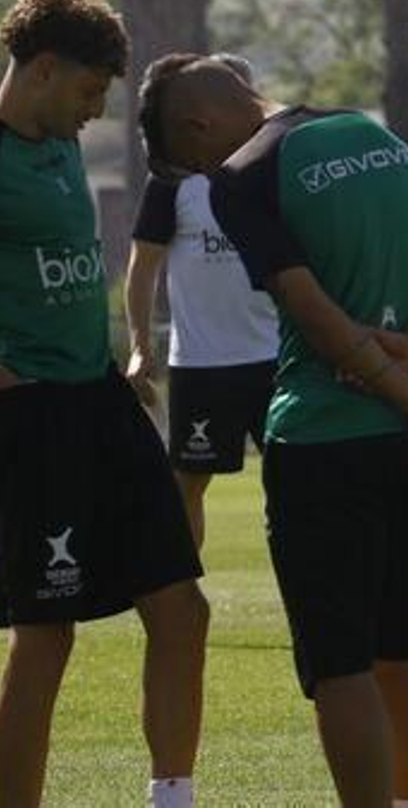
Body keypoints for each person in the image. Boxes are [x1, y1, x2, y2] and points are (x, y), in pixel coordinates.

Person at [138, 52, 408, 807]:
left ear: (199, 127)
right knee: (404, 654)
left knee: (342, 667)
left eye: (189, 161)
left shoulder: (240, 177)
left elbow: (313, 315)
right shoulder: (375, 135)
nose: (201, 173)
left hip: (328, 439)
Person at [0, 0, 210, 808]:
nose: (92, 113)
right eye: (85, 93)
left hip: (102, 403)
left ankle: (172, 798)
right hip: (29, 419)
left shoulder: (59, 147)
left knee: (183, 609)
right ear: (41, 70)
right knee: (47, 637)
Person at [125, 53, 279, 549]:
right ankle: (182, 600)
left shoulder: (273, 168)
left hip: (278, 359)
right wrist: (139, 345)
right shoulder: (172, 180)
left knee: (298, 481)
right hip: (201, 363)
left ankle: (313, 598)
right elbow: (142, 267)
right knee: (186, 485)